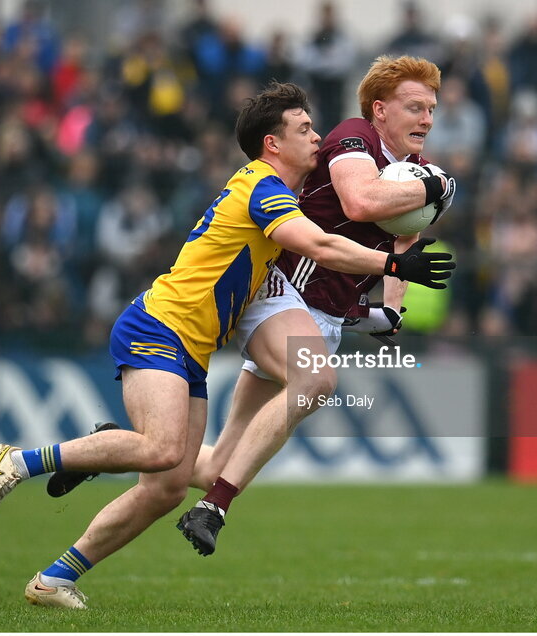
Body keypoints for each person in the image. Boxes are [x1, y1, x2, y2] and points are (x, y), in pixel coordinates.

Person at [0, 82, 455, 609]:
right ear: (273, 144)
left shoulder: (287, 192)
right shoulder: (263, 186)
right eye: (304, 129)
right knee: (162, 448)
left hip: (193, 348)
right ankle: (18, 460)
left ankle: (55, 577)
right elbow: (317, 244)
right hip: (158, 327)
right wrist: (393, 264)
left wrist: (371, 307)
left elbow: (317, 261)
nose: (317, 137)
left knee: (170, 484)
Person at [174, 55, 455, 556]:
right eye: (415, 107)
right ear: (379, 110)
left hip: (322, 313)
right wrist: (435, 186)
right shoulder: (354, 138)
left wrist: (391, 308)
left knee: (215, 461)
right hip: (284, 294)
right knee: (318, 380)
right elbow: (359, 203)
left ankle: (115, 450)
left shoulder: (411, 171)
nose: (427, 119)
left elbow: (405, 243)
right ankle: (214, 507)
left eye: (431, 109)